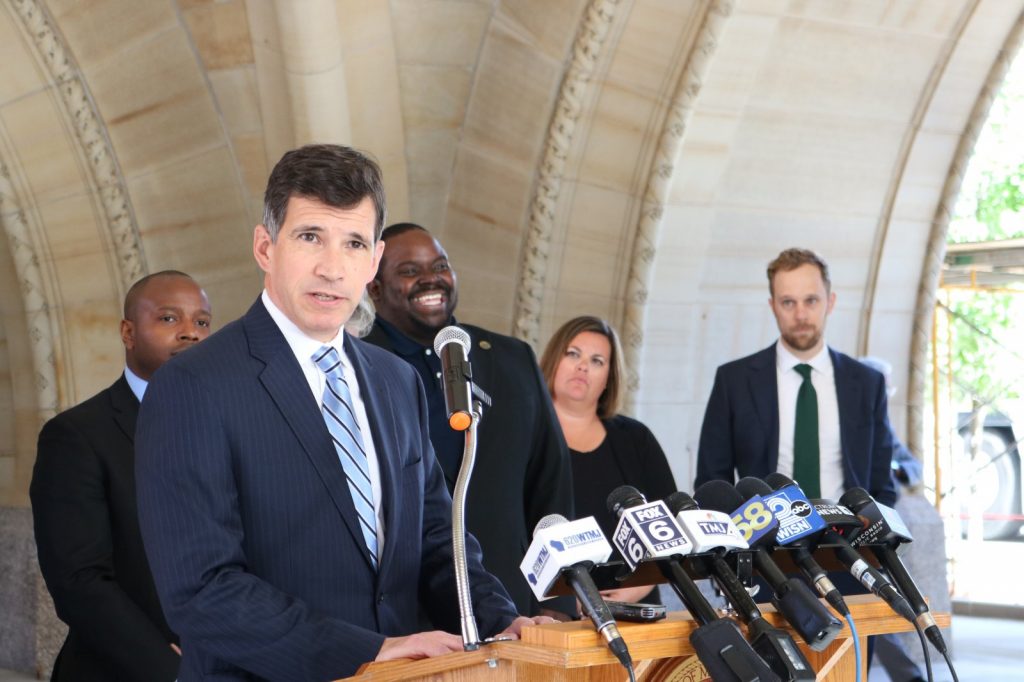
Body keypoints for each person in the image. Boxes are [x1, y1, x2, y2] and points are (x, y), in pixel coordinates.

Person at [134, 145, 537, 681]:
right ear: (264, 246)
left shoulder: (395, 381)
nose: (331, 267)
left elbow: (437, 538)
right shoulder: (192, 387)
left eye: (353, 243)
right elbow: (202, 589)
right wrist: (365, 651)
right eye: (309, 237)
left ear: (373, 261)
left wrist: (499, 620)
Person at [364, 222, 574, 616]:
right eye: (409, 271)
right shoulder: (355, 368)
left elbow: (551, 485)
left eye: (440, 266)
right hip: (408, 617)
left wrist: (557, 599)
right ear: (374, 289)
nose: (431, 279)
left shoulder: (513, 359)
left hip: (515, 606)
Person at [30, 270, 212, 681]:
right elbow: (79, 581)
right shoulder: (77, 436)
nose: (190, 333)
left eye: (201, 321)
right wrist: (171, 668)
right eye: (169, 318)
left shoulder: (228, 426)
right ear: (128, 333)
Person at [695, 247, 897, 506]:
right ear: (773, 306)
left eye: (811, 300)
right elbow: (711, 481)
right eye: (788, 302)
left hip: (850, 538)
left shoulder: (868, 384)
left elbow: (883, 487)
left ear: (830, 302)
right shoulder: (733, 382)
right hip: (765, 540)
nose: (800, 315)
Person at [539, 315, 677, 605]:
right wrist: (563, 600)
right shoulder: (523, 435)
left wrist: (641, 582)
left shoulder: (635, 438)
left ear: (608, 380)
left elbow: (670, 527)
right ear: (554, 361)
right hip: (547, 612)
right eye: (573, 354)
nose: (583, 366)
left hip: (631, 607)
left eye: (597, 361)